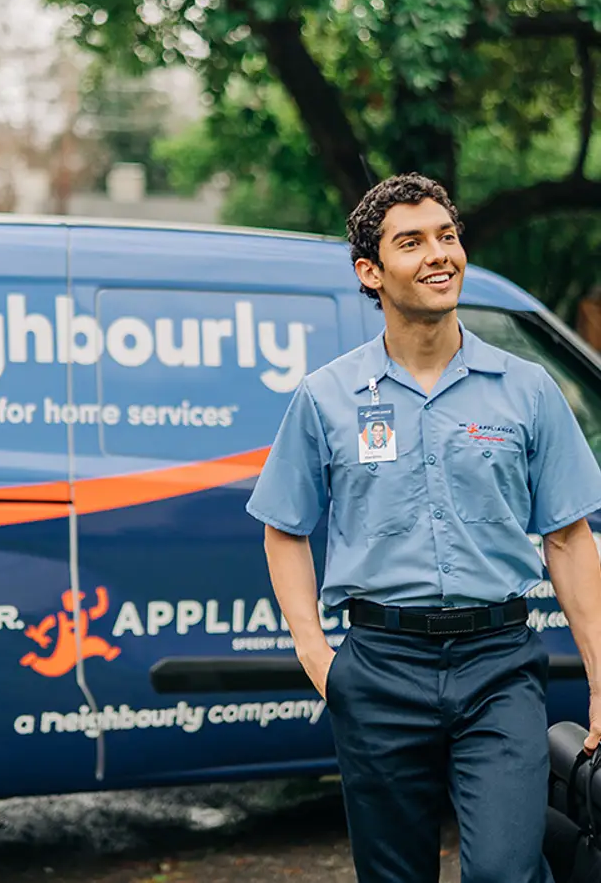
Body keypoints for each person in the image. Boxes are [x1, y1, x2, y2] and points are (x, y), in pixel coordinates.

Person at [245, 172, 601, 883]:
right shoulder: (327, 397)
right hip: (379, 667)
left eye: (447, 236)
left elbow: (568, 537)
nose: (440, 254)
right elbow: (283, 529)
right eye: (412, 242)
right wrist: (321, 661)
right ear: (371, 273)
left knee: (506, 871)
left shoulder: (527, 390)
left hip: (499, 665)